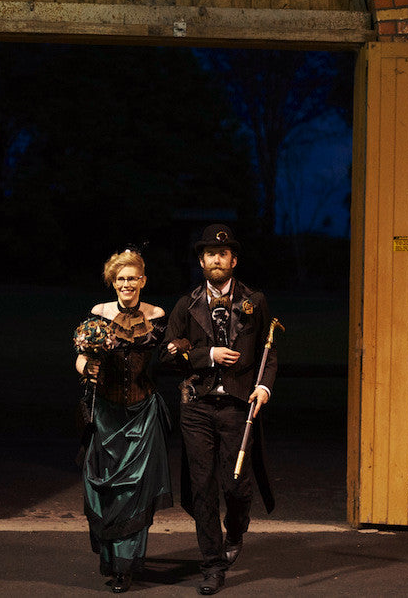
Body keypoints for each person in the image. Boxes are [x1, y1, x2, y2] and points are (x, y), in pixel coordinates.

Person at [161, 224, 276, 595]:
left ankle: (237, 529)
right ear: (201, 260)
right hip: (196, 405)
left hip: (237, 405)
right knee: (202, 486)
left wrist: (263, 387)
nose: (216, 259)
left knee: (237, 485)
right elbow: (168, 355)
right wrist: (206, 355)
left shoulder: (253, 301)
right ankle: (211, 565)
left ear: (233, 260)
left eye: (222, 253)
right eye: (209, 253)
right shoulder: (186, 304)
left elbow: (268, 350)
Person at [74, 248, 173, 593]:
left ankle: (125, 568)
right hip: (106, 415)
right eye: (121, 279)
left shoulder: (158, 315)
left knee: (134, 491)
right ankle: (112, 559)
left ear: (143, 280)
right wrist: (87, 368)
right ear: (113, 282)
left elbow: (169, 353)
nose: (127, 284)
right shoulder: (98, 314)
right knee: (106, 489)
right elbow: (81, 357)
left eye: (133, 278)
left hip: (142, 414)